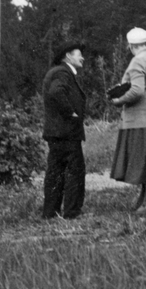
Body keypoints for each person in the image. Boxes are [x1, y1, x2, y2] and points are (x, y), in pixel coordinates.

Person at [109, 27, 146, 213]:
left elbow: (136, 90)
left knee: (144, 157)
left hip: (143, 117)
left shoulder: (138, 61)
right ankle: (145, 197)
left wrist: (118, 101)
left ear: (130, 45)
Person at [42, 40, 87, 219]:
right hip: (67, 132)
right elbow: (56, 92)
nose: (82, 58)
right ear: (68, 56)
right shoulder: (63, 72)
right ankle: (72, 212)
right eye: (79, 54)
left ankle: (50, 212)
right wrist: (71, 113)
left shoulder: (56, 72)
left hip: (56, 132)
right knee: (75, 171)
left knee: (55, 172)